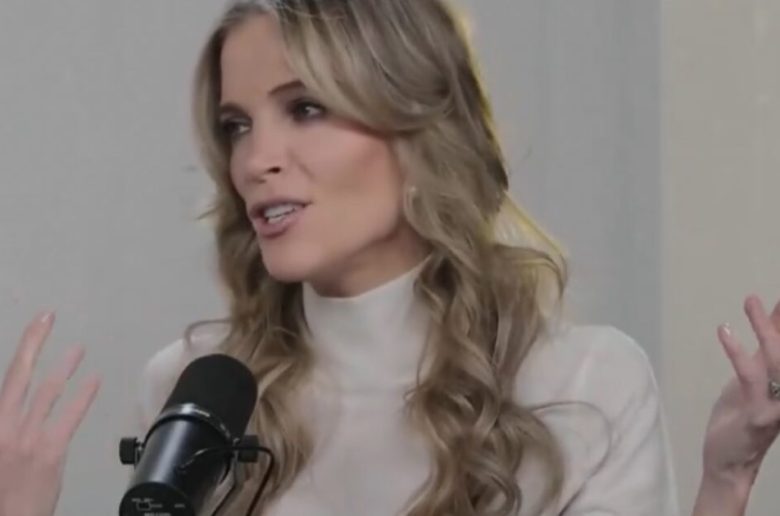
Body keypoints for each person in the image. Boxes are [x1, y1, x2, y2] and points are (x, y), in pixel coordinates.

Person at [1, 0, 778, 515]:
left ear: (415, 130)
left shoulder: (582, 385)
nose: (256, 160)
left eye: (305, 108)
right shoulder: (195, 391)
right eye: (237, 125)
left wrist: (725, 484)